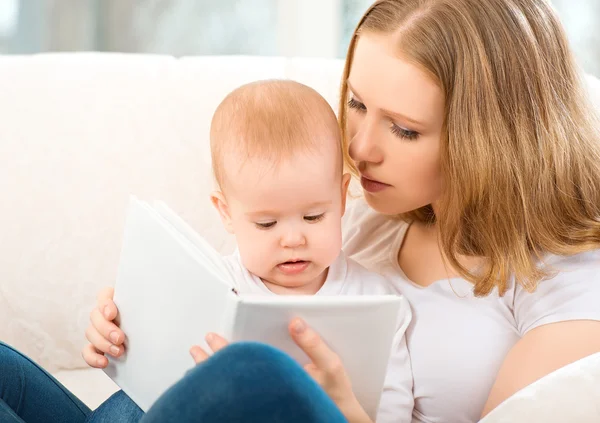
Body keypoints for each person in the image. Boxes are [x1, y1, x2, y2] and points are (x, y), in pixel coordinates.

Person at [3, 0, 600, 422]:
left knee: (255, 372)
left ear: (491, 137)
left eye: (405, 129)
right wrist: (135, 327)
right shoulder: (352, 218)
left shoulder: (563, 280)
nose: (361, 146)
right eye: (358, 104)